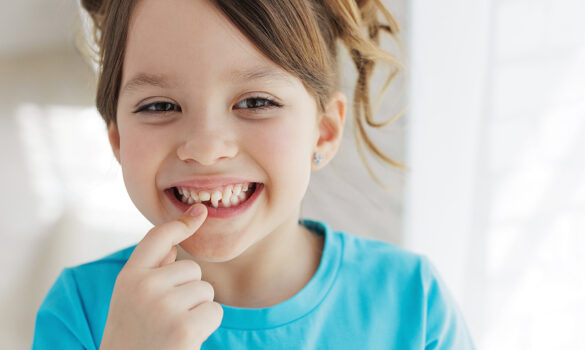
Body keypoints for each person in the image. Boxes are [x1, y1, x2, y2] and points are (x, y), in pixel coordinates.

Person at [32, 0, 475, 348]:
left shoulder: (413, 303)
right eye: (159, 106)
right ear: (119, 143)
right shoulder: (82, 313)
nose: (205, 150)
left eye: (255, 102)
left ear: (323, 132)